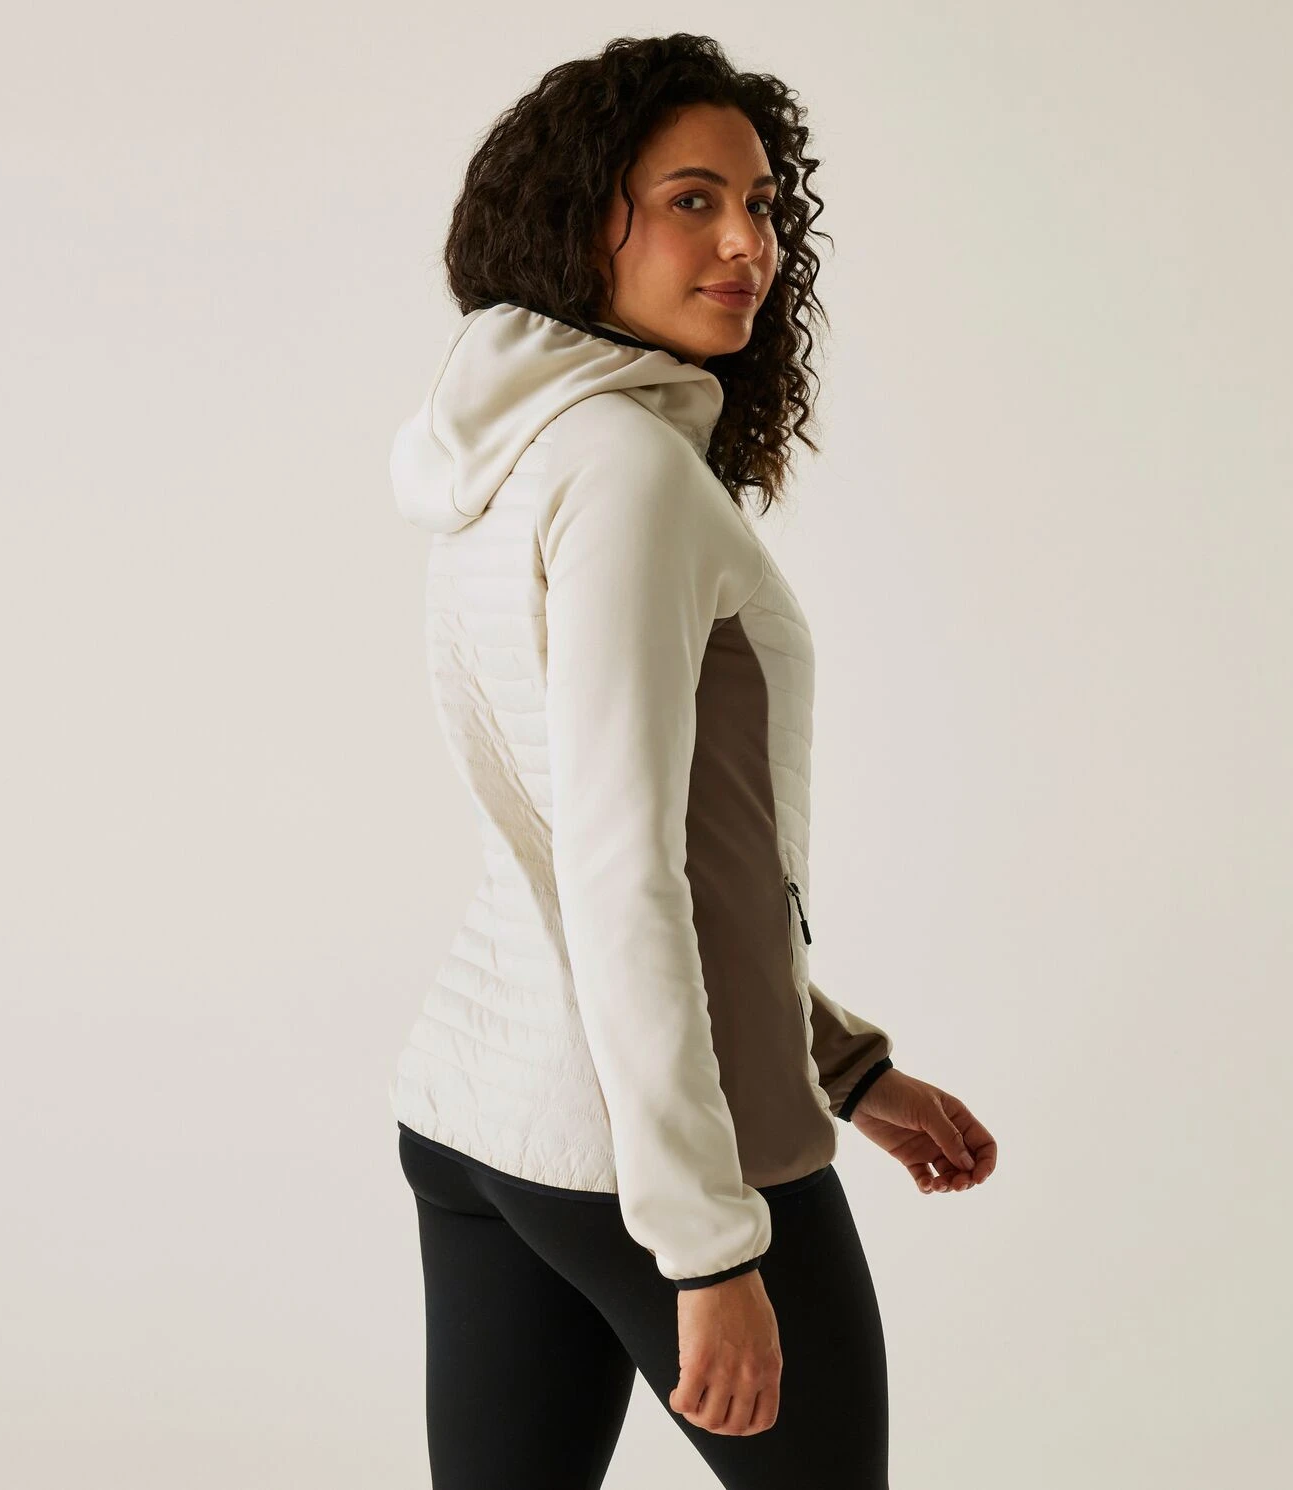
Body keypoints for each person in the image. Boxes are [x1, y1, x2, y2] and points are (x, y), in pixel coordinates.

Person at [386, 33, 996, 1490]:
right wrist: (709, 1244)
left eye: (764, 205)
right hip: (640, 1150)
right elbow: (622, 869)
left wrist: (840, 1063)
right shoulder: (624, 468)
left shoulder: (507, 447)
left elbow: (617, 845)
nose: (747, 244)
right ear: (576, 217)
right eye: (690, 201)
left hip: (479, 1114)